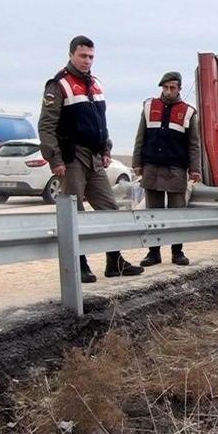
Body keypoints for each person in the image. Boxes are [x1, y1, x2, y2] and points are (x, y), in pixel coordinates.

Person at [38, 35, 144, 283]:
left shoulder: (95, 84)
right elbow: (46, 126)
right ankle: (79, 264)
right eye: (83, 56)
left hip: (95, 158)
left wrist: (106, 149)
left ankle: (114, 262)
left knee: (110, 210)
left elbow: (101, 122)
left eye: (91, 57)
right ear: (72, 54)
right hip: (72, 158)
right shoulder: (59, 84)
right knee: (73, 214)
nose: (87, 61)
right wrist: (55, 160)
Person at [131, 72, 202, 266]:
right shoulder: (149, 106)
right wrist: (137, 163)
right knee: (152, 213)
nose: (168, 91)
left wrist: (195, 169)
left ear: (179, 89)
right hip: (152, 167)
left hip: (176, 169)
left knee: (176, 213)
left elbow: (193, 144)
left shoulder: (188, 112)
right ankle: (153, 253)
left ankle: (177, 252)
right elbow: (140, 137)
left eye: (172, 88)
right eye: (165, 88)